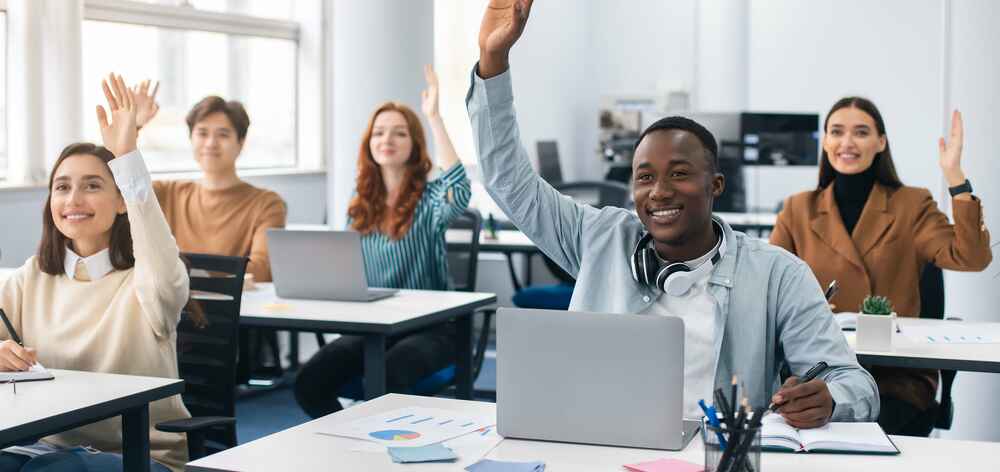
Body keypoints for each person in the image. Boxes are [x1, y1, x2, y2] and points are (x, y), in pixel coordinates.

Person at [470, 0, 878, 428]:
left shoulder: (778, 274)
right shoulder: (599, 238)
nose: (659, 191)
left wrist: (829, 398)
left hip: (714, 451)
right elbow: (507, 180)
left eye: (679, 174)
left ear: (715, 185)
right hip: (598, 443)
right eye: (644, 177)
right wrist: (492, 61)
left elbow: (856, 383)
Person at [0, 74, 192, 471]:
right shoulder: (28, 279)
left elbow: (153, 240)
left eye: (91, 186)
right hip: (40, 448)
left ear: (121, 201)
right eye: (62, 187)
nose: (73, 199)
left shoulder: (150, 282)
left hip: (137, 455)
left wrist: (127, 157)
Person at [770, 98, 992, 435]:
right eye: (837, 132)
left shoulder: (912, 203)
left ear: (881, 143)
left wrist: (955, 177)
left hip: (895, 379)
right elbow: (767, 289)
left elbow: (971, 257)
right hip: (818, 374)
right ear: (826, 141)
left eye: (861, 132)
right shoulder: (797, 209)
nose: (847, 143)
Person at [294, 65, 471, 417]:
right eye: (379, 133)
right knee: (308, 382)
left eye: (399, 133)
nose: (386, 140)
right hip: (375, 328)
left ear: (415, 144)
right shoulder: (360, 204)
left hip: (432, 329)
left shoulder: (431, 199)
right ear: (369, 143)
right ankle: (353, 446)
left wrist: (434, 117)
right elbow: (346, 270)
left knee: (389, 375)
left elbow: (459, 189)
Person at [131, 82, 287, 284]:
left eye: (223, 134)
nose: (211, 143)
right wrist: (133, 127)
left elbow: (261, 272)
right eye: (202, 133)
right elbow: (114, 186)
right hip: (174, 307)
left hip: (233, 310)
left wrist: (178, 271)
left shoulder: (267, 203)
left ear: (241, 143)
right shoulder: (167, 193)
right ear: (191, 139)